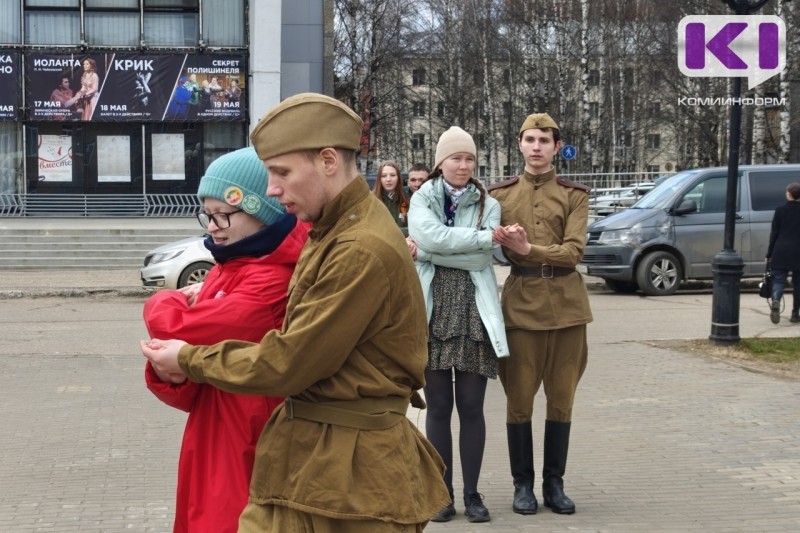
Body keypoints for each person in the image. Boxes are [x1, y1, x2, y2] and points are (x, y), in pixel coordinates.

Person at [141, 92, 450, 532]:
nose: (271, 189)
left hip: (352, 474)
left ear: (327, 160)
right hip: (320, 458)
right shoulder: (332, 231)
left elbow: (290, 360)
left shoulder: (358, 247)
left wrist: (188, 357)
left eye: (281, 172)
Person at [144, 147, 309, 533]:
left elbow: (177, 329)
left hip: (247, 438)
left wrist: (163, 299)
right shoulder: (231, 266)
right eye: (207, 214)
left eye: (223, 215)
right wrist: (171, 372)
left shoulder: (270, 279)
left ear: (261, 212)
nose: (212, 227)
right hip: (215, 431)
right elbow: (192, 379)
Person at [489, 112, 593, 516]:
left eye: (544, 140)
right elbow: (476, 238)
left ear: (555, 147)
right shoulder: (499, 196)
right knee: (519, 400)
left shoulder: (574, 194)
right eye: (530, 139)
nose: (536, 147)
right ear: (519, 144)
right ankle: (523, 485)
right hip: (520, 307)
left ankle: (555, 483)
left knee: (562, 400)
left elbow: (574, 252)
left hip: (567, 308)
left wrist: (529, 249)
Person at [408, 126, 509, 523]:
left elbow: (478, 258)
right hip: (432, 311)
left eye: (469, 158)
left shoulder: (490, 203)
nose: (464, 165)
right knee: (438, 408)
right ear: (440, 162)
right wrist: (476, 240)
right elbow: (426, 237)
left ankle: (473, 494)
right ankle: (443, 494)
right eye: (456, 158)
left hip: (473, 310)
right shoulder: (421, 197)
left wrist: (435, 251)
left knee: (471, 406)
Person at [766, 182, 800, 324]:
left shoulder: (780, 210)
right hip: (798, 251)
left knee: (779, 280)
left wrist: (769, 254)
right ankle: (795, 314)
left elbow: (774, 233)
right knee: (798, 284)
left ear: (788, 194)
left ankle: (775, 299)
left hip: (780, 250)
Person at [373, 159, 410, 236]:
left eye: (392, 175)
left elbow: (414, 229)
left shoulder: (406, 200)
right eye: (384, 176)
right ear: (379, 179)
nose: (388, 179)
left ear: (398, 178)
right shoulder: (371, 200)